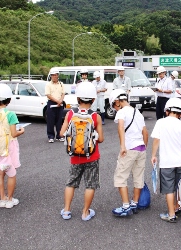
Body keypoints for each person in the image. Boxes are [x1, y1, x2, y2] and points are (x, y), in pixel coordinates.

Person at [59, 82, 104, 221]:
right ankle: (85, 213)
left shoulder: (71, 114)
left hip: (75, 157)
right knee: (90, 185)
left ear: (78, 98)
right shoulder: (96, 116)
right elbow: (101, 139)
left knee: (71, 183)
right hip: (92, 156)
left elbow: (61, 133)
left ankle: (66, 211)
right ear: (93, 99)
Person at [151, 97, 181, 223]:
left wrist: (153, 155)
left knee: (169, 189)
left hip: (167, 162)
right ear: (180, 113)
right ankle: (176, 207)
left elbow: (156, 140)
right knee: (177, 187)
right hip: (180, 161)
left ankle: (171, 214)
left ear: (167, 110)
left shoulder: (160, 122)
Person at [110, 89, 148, 217]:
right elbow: (145, 133)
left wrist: (122, 146)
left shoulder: (121, 112)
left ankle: (126, 206)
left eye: (114, 106)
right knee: (138, 177)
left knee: (120, 177)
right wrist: (144, 147)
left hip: (130, 148)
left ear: (117, 101)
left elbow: (120, 127)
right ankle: (134, 203)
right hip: (141, 148)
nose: (115, 109)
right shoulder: (138, 113)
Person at [0, 84, 24, 208]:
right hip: (8, 146)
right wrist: (21, 131)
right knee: (11, 174)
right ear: (8, 99)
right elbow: (14, 133)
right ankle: (9, 200)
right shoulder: (10, 114)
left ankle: (2, 198)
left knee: (0, 172)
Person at [45, 70, 65, 143]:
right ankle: (51, 136)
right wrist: (57, 101)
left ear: (57, 75)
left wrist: (61, 100)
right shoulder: (48, 85)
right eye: (52, 75)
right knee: (50, 121)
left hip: (60, 104)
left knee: (59, 121)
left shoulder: (61, 84)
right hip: (51, 103)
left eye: (55, 75)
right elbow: (48, 95)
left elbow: (63, 93)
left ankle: (59, 135)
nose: (53, 76)